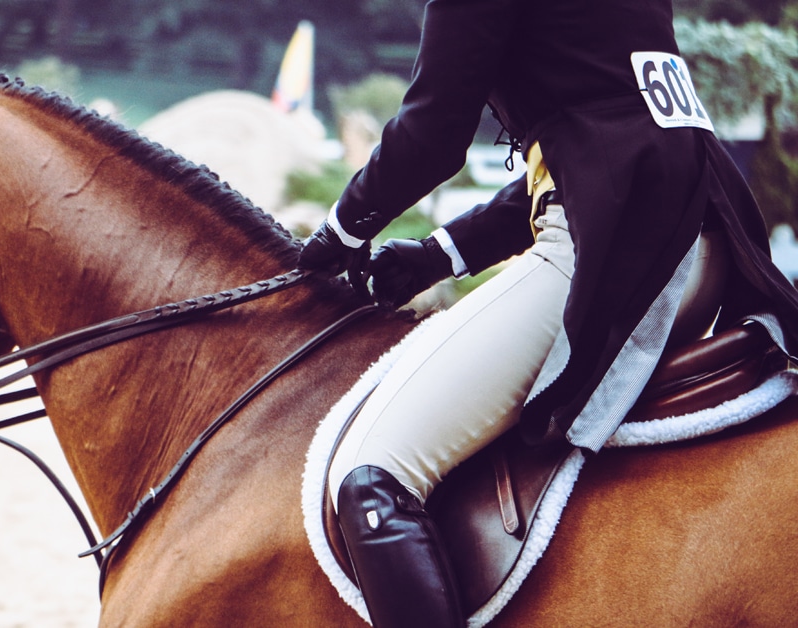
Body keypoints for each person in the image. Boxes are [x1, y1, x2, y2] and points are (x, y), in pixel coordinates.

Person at [298, 1, 798, 626]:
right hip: (703, 242)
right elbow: (611, 140)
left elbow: (432, 134)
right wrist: (440, 253)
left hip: (620, 256)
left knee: (371, 474)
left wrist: (343, 230)